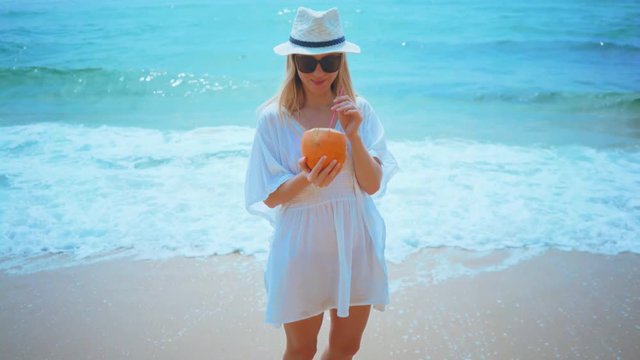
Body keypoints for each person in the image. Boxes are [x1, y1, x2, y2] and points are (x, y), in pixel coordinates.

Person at [244, 7, 398, 360]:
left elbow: (372, 185)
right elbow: (269, 198)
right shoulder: (274, 119)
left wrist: (354, 136)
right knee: (301, 349)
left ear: (341, 62)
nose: (318, 72)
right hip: (302, 245)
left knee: (346, 347)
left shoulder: (358, 110)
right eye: (307, 62)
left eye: (329, 62)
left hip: (356, 237)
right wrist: (307, 179)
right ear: (293, 62)